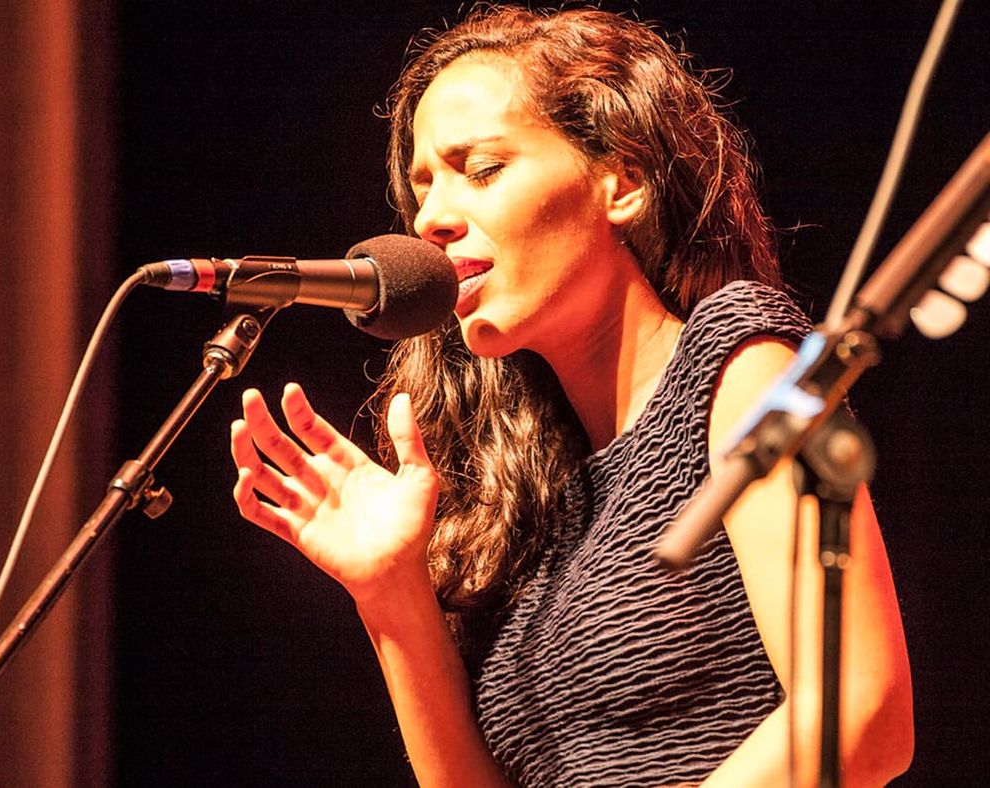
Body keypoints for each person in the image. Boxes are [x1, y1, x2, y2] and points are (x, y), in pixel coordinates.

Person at [227, 5, 914, 786]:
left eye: (481, 170)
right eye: (421, 190)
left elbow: (861, 713)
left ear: (620, 180)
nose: (431, 219)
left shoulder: (739, 359)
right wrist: (391, 594)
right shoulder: (536, 500)